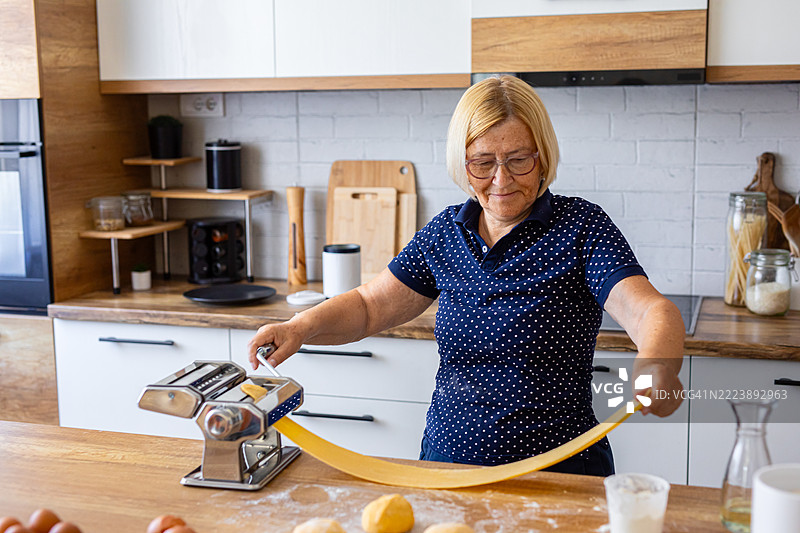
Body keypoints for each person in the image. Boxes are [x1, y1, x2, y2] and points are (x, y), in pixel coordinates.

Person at [248, 75, 685, 476]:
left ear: (543, 155)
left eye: (519, 160)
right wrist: (298, 328)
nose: (502, 180)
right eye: (482, 162)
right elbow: (367, 306)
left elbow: (649, 310)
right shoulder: (445, 233)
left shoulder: (581, 227)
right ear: (463, 162)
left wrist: (657, 363)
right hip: (449, 468)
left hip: (561, 471)